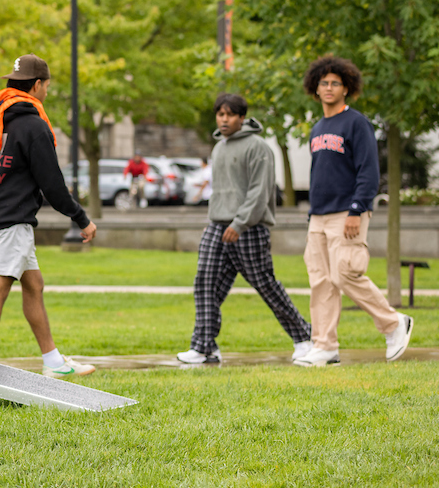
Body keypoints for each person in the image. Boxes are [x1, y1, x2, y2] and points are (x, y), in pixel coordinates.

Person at [0, 54, 98, 378]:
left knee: (33, 284)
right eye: (47, 86)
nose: (47, 92)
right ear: (37, 85)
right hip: (14, 221)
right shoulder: (34, 125)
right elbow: (52, 184)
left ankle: (53, 362)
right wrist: (82, 218)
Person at [176, 93, 313, 365]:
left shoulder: (258, 147)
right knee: (206, 283)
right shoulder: (219, 148)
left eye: (229, 115)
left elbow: (259, 192)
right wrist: (214, 220)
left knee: (265, 284)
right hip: (218, 225)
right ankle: (204, 347)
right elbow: (221, 192)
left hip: (249, 227)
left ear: (241, 117)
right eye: (220, 114)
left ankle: (304, 338)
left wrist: (239, 223)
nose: (223, 119)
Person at [294, 56, 413, 367]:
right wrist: (312, 215)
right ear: (315, 88)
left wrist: (357, 210)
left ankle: (393, 323)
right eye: (324, 83)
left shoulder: (356, 122)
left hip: (347, 213)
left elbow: (368, 172)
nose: (329, 87)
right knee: (321, 282)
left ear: (346, 88)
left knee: (345, 274)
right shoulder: (317, 128)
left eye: (336, 83)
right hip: (318, 215)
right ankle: (324, 346)